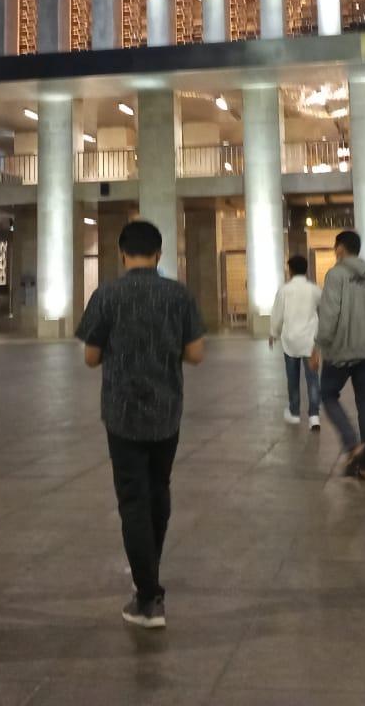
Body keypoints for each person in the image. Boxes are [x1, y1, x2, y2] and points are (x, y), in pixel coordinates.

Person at [75, 219, 206, 630]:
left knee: (132, 498)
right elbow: (196, 354)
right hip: (166, 409)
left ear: (121, 253)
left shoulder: (106, 295)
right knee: (159, 489)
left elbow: (90, 358)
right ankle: (149, 571)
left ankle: (148, 596)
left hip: (122, 411)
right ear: (159, 253)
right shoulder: (179, 294)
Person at [311, 230, 365, 482]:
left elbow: (329, 315)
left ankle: (351, 442)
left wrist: (317, 346)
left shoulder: (336, 274)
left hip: (342, 350)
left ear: (340, 248)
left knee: (327, 394)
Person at [269, 254, 322, 430]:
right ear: (306, 270)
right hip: (310, 341)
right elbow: (325, 309)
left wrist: (273, 333)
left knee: (293, 379)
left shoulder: (284, 290)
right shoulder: (314, 289)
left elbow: (277, 314)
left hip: (290, 340)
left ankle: (294, 412)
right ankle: (314, 416)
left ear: (290, 270)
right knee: (312, 379)